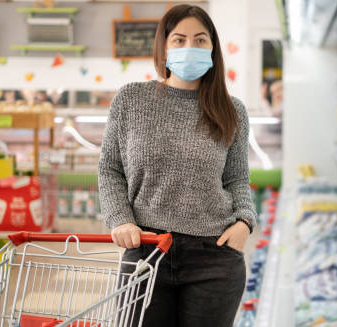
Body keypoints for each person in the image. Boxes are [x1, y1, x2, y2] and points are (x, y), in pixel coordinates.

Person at [98, 4, 256, 327]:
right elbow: (110, 168)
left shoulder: (232, 111)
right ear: (164, 47)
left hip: (215, 259)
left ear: (213, 48)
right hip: (146, 252)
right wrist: (120, 218)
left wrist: (244, 222)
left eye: (200, 41)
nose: (190, 48)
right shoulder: (130, 100)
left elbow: (238, 178)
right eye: (179, 40)